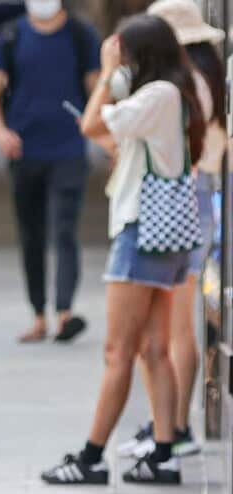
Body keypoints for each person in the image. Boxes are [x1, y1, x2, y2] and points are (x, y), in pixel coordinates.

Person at [42, 14, 206, 485]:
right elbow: (106, 134)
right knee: (153, 349)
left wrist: (105, 70)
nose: (122, 64)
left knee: (118, 351)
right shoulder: (168, 95)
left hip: (142, 234)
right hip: (160, 235)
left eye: (126, 55)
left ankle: (91, 457)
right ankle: (164, 453)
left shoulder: (158, 94)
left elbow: (92, 122)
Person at [117, 0, 225, 459]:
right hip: (198, 197)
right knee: (177, 326)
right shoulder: (207, 77)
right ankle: (170, 423)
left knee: (175, 327)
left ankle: (175, 426)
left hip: (182, 199)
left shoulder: (183, 85)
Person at [0, 0, 100, 343]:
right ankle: (38, 315)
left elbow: (97, 91)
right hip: (24, 152)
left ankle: (64, 313)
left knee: (64, 230)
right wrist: (1, 133)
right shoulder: (12, 36)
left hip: (69, 151)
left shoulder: (80, 34)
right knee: (31, 235)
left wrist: (101, 131)